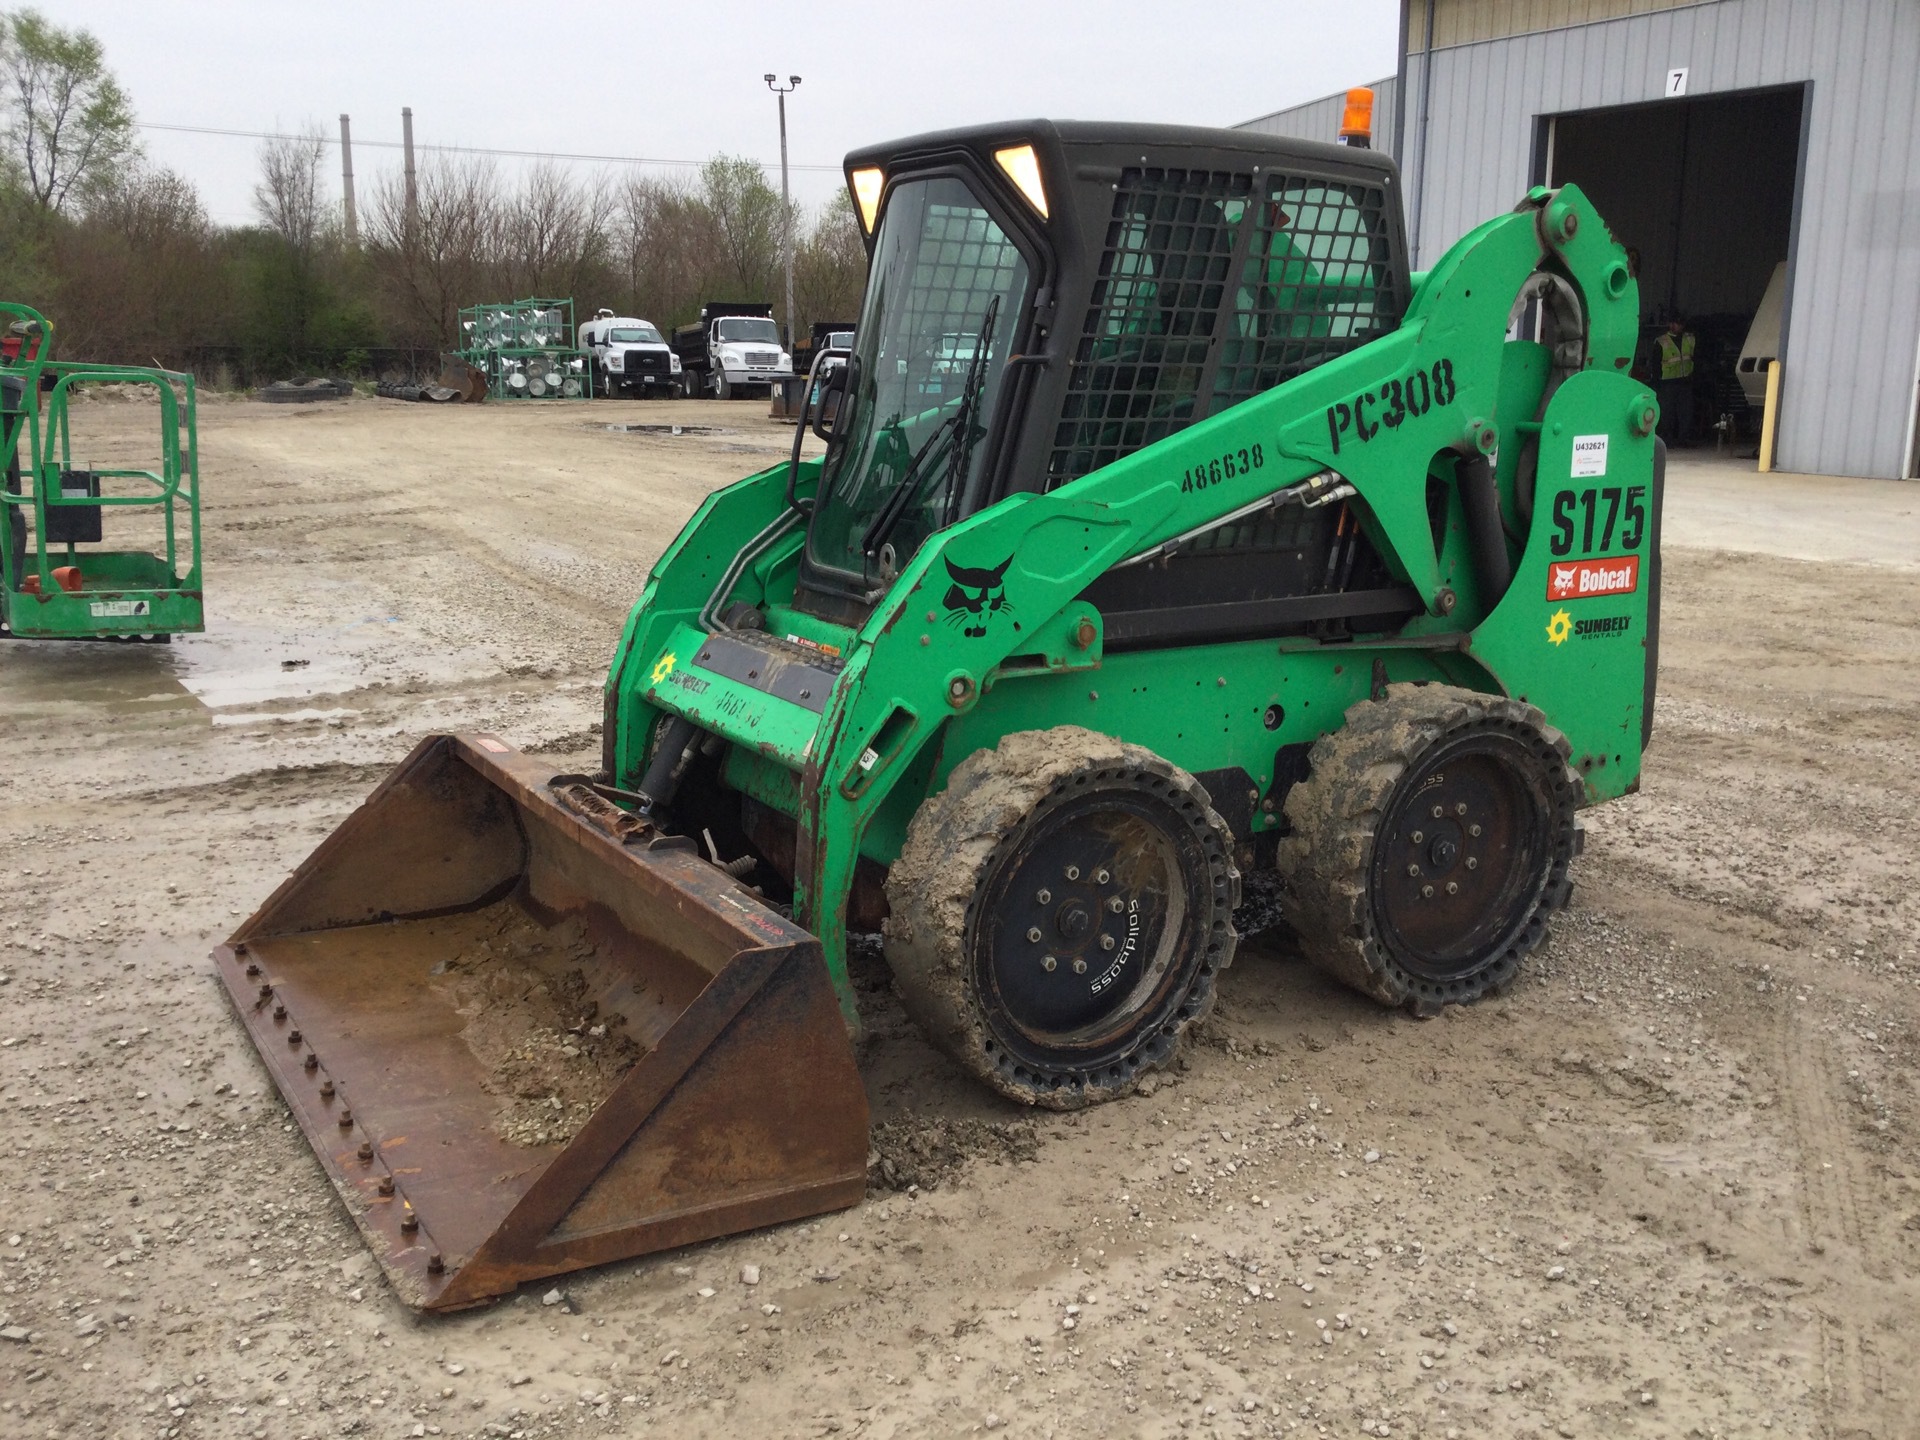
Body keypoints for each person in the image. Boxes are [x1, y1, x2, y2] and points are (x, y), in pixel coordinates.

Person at [1656, 316, 1696, 446]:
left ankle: (1684, 439)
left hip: (1685, 381)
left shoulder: (1690, 339)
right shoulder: (1661, 341)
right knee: (1667, 413)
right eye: (1673, 323)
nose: (1675, 326)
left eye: (1678, 323)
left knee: (1685, 412)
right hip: (1668, 383)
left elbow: (1696, 357)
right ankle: (1667, 439)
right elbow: (1655, 364)